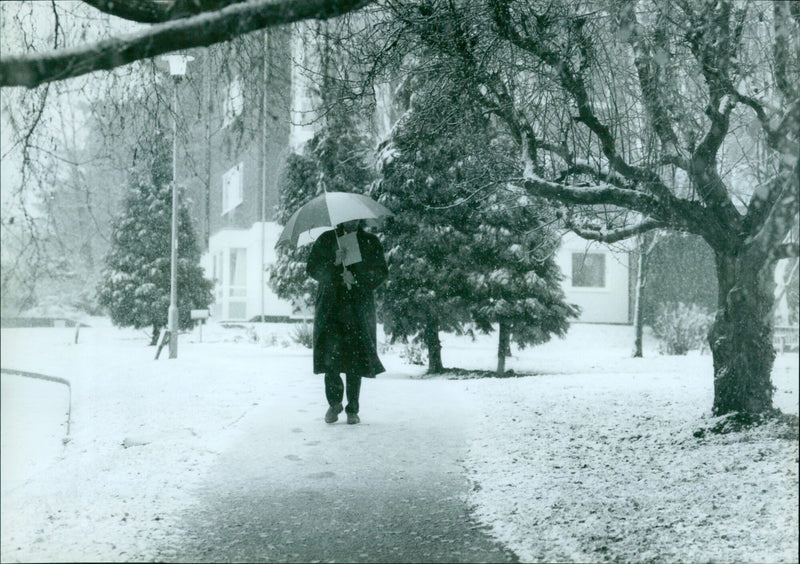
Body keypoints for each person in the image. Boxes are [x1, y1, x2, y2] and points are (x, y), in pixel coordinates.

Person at [306, 219, 388, 424]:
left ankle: (353, 408)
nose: (353, 222)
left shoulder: (370, 241)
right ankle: (334, 404)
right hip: (331, 310)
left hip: (357, 310)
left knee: (355, 359)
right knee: (330, 359)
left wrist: (357, 278)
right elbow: (313, 268)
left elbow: (380, 272)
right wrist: (334, 264)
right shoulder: (327, 240)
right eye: (349, 218)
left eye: (356, 218)